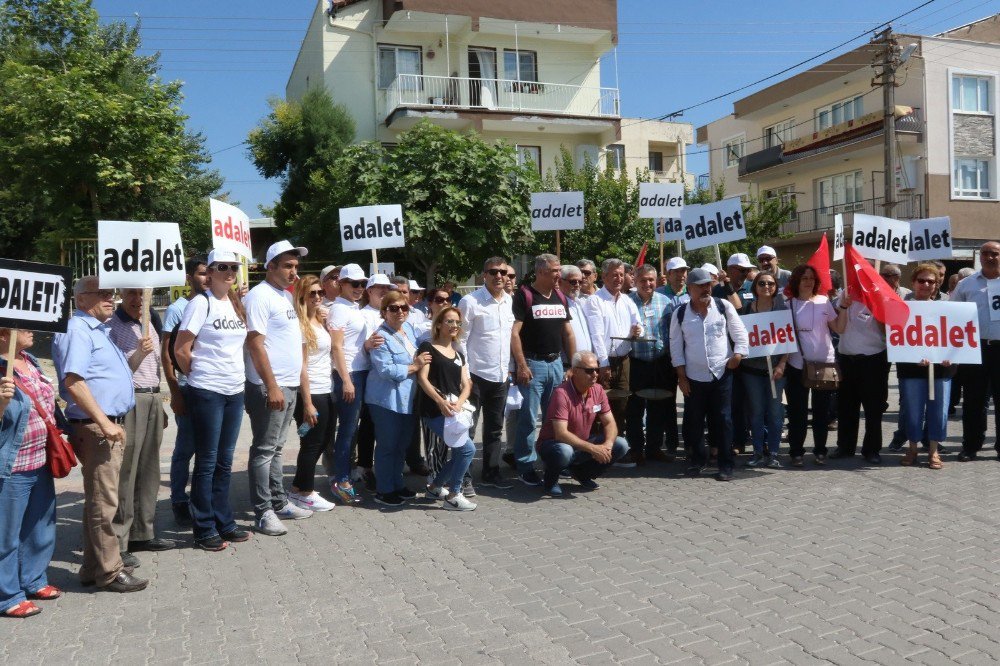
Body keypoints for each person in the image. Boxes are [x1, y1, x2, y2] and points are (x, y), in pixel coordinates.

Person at [52, 276, 146, 592]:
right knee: (103, 502)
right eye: (103, 293)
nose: (112, 298)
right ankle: (110, 572)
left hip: (105, 425)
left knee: (101, 500)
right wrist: (104, 422)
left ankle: (92, 568)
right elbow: (73, 382)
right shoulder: (78, 331)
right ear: (80, 299)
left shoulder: (97, 331)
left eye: (111, 292)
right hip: (97, 429)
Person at [174, 250, 253, 550]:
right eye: (222, 267)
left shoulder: (234, 303)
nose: (229, 272)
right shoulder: (200, 302)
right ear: (210, 272)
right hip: (207, 391)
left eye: (233, 267)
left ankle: (224, 520)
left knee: (225, 459)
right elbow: (181, 349)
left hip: (235, 390)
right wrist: (201, 376)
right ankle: (203, 525)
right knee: (206, 461)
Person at [243, 240, 313, 536]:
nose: (293, 272)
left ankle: (279, 501)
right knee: (264, 449)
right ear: (269, 266)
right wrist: (271, 386)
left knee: (277, 448)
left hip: (289, 384)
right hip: (269, 387)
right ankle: (263, 512)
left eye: (296, 266)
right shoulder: (260, 296)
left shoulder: (284, 296)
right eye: (287, 266)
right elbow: (255, 343)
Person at [107, 288, 174, 567]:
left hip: (152, 396)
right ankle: (119, 541)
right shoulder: (112, 327)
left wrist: (160, 401)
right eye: (132, 294)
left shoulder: (150, 321)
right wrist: (137, 353)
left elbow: (156, 364)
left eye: (143, 294)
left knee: (149, 469)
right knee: (126, 472)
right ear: (122, 293)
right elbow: (114, 371)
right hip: (129, 399)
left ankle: (143, 532)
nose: (138, 300)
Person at [0, 329, 60, 617]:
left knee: (40, 526)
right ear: (3, 334)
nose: (31, 331)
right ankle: (7, 595)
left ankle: (34, 579)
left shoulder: (30, 359)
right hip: (12, 465)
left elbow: (49, 403)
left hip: (40, 458)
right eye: (22, 328)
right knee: (6, 534)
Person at [670, 268, 749, 482]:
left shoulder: (724, 307)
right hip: (694, 377)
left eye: (708, 285)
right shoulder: (680, 313)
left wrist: (738, 355)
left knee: (723, 420)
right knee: (694, 421)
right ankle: (697, 461)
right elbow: (676, 347)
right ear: (690, 289)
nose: (706, 289)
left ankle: (726, 465)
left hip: (721, 373)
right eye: (700, 285)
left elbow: (741, 334)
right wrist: (682, 377)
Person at [511, 254, 576, 486]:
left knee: (555, 418)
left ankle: (555, 461)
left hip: (557, 364)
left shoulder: (560, 296)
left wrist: (572, 364)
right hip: (533, 365)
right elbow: (515, 333)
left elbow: (567, 333)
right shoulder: (524, 295)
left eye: (559, 270)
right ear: (540, 272)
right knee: (528, 418)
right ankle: (525, 465)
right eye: (555, 271)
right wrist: (521, 364)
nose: (560, 274)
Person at [366, 291, 431, 507]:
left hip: (408, 399)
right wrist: (416, 366)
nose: (400, 312)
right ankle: (384, 490)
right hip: (386, 399)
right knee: (387, 445)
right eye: (393, 308)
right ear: (384, 312)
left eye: (404, 307)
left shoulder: (410, 330)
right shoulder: (380, 336)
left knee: (402, 445)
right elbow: (385, 369)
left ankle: (397, 484)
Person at [537, 351, 629, 495]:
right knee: (565, 451)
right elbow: (561, 434)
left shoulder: (598, 390)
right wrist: (593, 449)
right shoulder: (561, 394)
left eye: (596, 370)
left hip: (581, 443)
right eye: (589, 370)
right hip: (554, 443)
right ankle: (550, 481)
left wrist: (607, 446)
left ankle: (582, 474)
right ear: (574, 371)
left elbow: (610, 423)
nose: (595, 374)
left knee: (621, 445)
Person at [784, 264, 849, 467]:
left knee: (822, 412)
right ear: (796, 280)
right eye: (804, 278)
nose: (808, 281)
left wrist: (844, 308)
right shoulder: (788, 304)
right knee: (798, 412)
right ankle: (796, 452)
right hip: (797, 364)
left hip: (824, 363)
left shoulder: (824, 302)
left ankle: (820, 451)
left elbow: (839, 328)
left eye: (811, 278)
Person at [459, 258, 514, 489]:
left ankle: (492, 472)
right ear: (484, 275)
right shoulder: (470, 302)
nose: (499, 276)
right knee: (468, 428)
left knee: (494, 428)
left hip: (501, 375)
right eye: (493, 272)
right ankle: (463, 477)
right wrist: (465, 374)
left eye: (503, 272)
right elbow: (460, 339)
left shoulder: (510, 301)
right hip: (475, 375)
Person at [161, 258, 207, 527]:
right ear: (189, 277)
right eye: (201, 274)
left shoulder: (215, 304)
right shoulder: (178, 309)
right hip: (188, 389)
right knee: (185, 447)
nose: (206, 278)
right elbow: (167, 354)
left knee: (208, 449)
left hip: (211, 389)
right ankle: (178, 498)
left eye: (208, 273)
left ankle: (203, 498)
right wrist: (175, 392)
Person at [418, 307, 478, 510]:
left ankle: (435, 487)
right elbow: (422, 379)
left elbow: (466, 384)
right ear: (439, 324)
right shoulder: (427, 347)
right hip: (434, 410)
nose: (454, 326)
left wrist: (459, 404)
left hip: (454, 411)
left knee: (464, 451)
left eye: (457, 323)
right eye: (449, 321)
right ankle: (454, 494)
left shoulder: (458, 352)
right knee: (467, 449)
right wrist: (440, 402)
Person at [286, 276, 337, 513]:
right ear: (302, 296)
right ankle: (305, 492)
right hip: (311, 391)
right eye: (312, 294)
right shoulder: (299, 325)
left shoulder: (318, 320)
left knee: (323, 440)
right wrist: (307, 403)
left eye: (320, 293)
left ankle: (298, 488)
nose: (317, 297)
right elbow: (302, 367)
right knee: (311, 442)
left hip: (326, 388)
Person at [898, 264, 956, 470]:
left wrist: (949, 356)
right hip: (911, 369)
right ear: (913, 282)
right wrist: (913, 355)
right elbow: (896, 337)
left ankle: (933, 450)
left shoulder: (947, 307)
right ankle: (912, 448)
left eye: (930, 281)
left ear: (936, 285)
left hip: (941, 370)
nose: (925, 284)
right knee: (913, 410)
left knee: (939, 410)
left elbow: (955, 337)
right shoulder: (901, 307)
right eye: (921, 280)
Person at [324, 264, 373, 504]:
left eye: (362, 284)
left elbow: (355, 345)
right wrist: (345, 380)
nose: (359, 288)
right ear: (341, 284)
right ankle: (340, 479)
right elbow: (337, 347)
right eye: (354, 284)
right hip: (350, 375)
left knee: (355, 429)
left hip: (362, 372)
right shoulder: (339, 310)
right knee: (347, 429)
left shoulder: (354, 307)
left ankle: (348, 474)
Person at [829, 272, 889, 464]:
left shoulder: (880, 295)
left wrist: (876, 308)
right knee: (846, 407)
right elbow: (840, 328)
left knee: (873, 408)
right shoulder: (845, 294)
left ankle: (872, 450)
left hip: (873, 361)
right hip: (847, 359)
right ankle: (845, 447)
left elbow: (886, 332)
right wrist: (845, 306)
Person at [585, 258, 643, 449]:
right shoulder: (595, 301)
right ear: (604, 277)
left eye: (621, 274)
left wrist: (638, 330)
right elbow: (597, 335)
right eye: (614, 275)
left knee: (621, 405)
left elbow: (638, 323)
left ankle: (616, 447)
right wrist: (603, 364)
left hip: (624, 360)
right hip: (604, 362)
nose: (619, 278)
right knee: (597, 406)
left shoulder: (627, 300)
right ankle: (593, 446)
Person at [951, 241, 1000, 461]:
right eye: (985, 253)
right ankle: (971, 446)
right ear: (979, 256)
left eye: (995, 253)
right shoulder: (966, 285)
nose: (989, 257)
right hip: (975, 349)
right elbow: (952, 318)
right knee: (973, 400)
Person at [739, 272, 787, 468]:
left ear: (775, 286)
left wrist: (782, 364)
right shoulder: (747, 311)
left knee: (775, 412)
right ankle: (758, 451)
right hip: (752, 371)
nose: (766, 286)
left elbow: (788, 342)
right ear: (755, 286)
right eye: (761, 283)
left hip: (776, 370)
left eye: (770, 283)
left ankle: (773, 452)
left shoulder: (782, 309)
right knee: (756, 413)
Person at [626, 264, 673, 465]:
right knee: (634, 409)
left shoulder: (666, 302)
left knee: (658, 407)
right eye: (643, 280)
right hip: (636, 362)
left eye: (651, 280)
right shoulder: (626, 302)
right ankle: (636, 449)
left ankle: (654, 448)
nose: (647, 284)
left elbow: (673, 332)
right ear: (635, 281)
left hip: (660, 362)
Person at [559, 265, 594, 365]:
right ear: (560, 281)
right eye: (573, 282)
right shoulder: (558, 304)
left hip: (585, 365)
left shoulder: (580, 303)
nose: (577, 285)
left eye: (580, 281)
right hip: (567, 365)